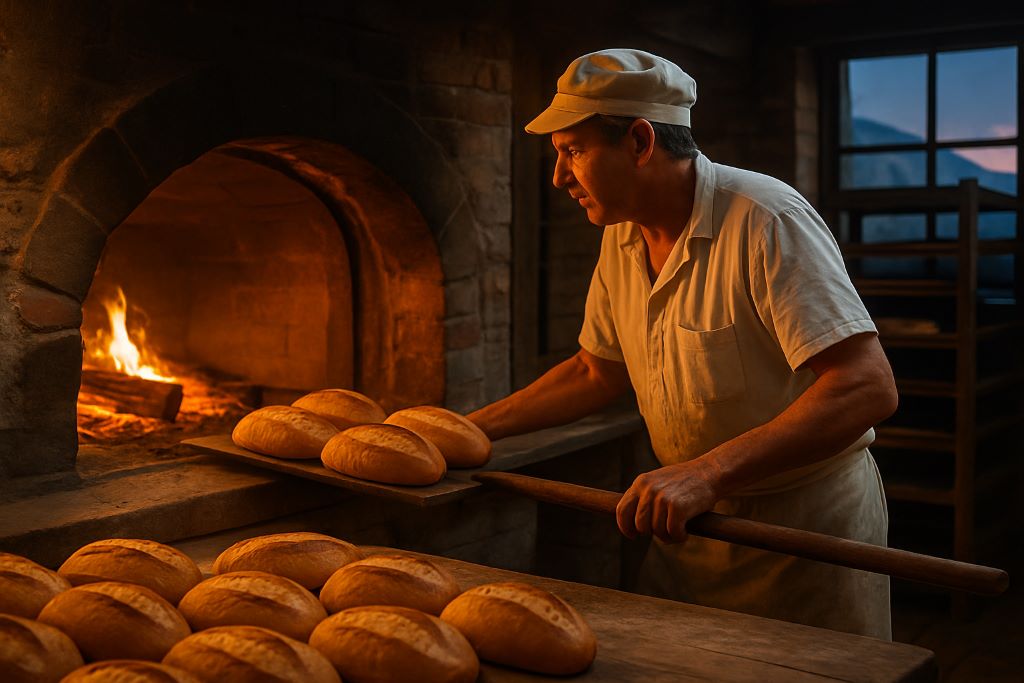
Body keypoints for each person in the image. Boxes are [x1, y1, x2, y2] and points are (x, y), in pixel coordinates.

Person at [467, 48, 898, 639]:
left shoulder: (765, 219)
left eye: (573, 152)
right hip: (690, 529)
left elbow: (866, 386)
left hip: (804, 536)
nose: (559, 177)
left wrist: (708, 473)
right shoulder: (622, 236)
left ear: (640, 141)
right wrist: (467, 432)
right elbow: (596, 371)